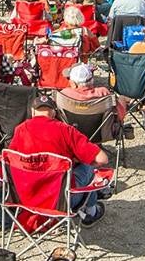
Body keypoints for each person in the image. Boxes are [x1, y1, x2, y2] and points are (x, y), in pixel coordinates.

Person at [6, 90, 111, 222]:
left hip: (26, 198)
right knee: (87, 165)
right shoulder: (65, 130)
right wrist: (76, 161)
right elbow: (102, 159)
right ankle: (91, 212)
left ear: (32, 112)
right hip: (61, 202)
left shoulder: (21, 130)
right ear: (54, 113)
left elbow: (9, 160)